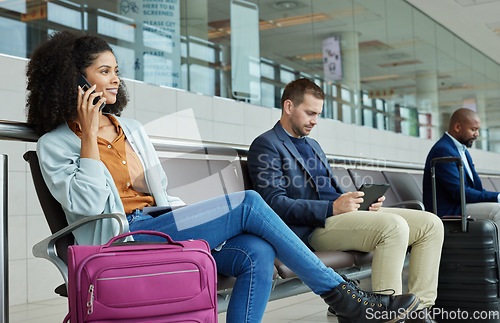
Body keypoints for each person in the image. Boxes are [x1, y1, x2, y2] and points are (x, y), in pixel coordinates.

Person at [26, 31, 418, 323]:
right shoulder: (55, 145)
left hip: (158, 227)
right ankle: (341, 295)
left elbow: (158, 191)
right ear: (75, 81)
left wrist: (199, 218)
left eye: (116, 71)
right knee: (248, 202)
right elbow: (89, 206)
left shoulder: (133, 130)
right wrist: (89, 139)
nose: (115, 79)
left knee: (256, 251)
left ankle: (343, 297)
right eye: (104, 71)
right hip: (119, 240)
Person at [247, 78, 444, 323]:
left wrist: (359, 203)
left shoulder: (314, 145)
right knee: (393, 226)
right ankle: (383, 314)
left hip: (340, 217)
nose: (314, 121)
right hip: (312, 228)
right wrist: (332, 208)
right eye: (309, 113)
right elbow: (273, 204)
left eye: (318, 114)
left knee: (431, 224)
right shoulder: (266, 145)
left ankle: (417, 311)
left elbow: (328, 190)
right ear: (288, 107)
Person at [423, 108, 500, 228]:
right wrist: (497, 197)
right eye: (473, 129)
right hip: (451, 210)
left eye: (478, 130)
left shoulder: (462, 151)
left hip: (463, 205)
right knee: (498, 210)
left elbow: (475, 189)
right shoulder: (443, 150)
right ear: (457, 127)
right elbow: (459, 192)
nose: (477, 134)